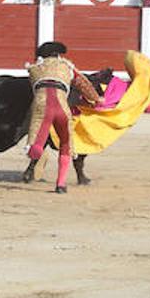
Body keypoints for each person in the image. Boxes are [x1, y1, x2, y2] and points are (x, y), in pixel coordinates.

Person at [24, 41, 101, 195]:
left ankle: (36, 151)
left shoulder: (34, 69)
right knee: (66, 144)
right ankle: (60, 184)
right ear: (59, 55)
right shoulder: (68, 67)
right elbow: (85, 86)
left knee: (36, 142)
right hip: (62, 108)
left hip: (42, 107)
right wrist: (96, 99)